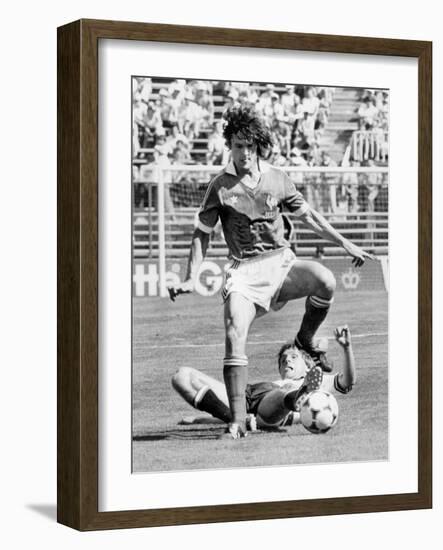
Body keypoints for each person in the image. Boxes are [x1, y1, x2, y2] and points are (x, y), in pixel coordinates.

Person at [168, 105, 372, 439]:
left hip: (281, 264)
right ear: (229, 146)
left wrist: (345, 243)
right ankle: (236, 421)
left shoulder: (277, 179)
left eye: (249, 145)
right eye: (237, 145)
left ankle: (305, 339)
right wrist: (192, 276)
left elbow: (310, 217)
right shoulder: (219, 186)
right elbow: (201, 234)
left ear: (258, 145)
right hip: (243, 272)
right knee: (234, 332)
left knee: (325, 280)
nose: (244, 152)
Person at [172, 326, 355, 430]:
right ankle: (236, 420)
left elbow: (347, 382)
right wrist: (200, 420)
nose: (286, 360)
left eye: (293, 357)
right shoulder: (277, 381)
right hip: (249, 393)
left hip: (274, 403)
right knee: (182, 376)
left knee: (284, 391)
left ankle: (296, 396)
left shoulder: (319, 381)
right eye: (283, 359)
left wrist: (347, 348)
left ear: (308, 366)